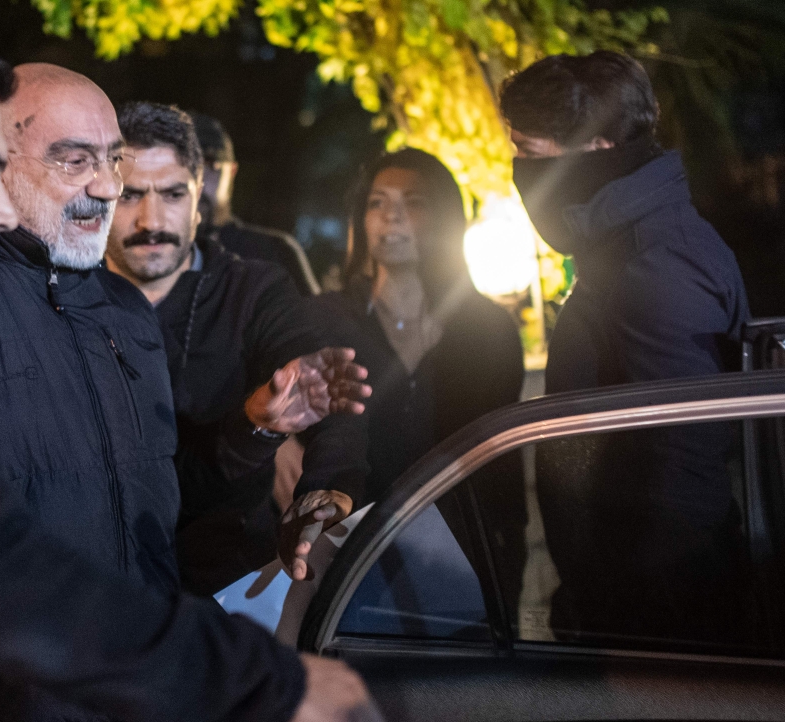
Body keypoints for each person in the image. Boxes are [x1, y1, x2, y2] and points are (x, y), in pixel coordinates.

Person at [0, 12, 379, 722]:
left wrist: (250, 433)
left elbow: (150, 499)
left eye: (115, 161)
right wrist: (258, 680)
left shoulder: (112, 313)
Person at [0, 63, 373, 719]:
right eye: (80, 163)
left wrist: (275, 441)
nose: (119, 197)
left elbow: (175, 492)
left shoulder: (165, 307)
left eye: (166, 192)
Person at [500, 51, 751, 642]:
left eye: (530, 156)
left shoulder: (654, 261)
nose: (518, 173)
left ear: (596, 150)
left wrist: (624, 618)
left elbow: (683, 463)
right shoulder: (626, 246)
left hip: (656, 620)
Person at [105, 102, 371, 592]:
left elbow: (317, 388)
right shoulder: (70, 296)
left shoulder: (251, 290)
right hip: (99, 585)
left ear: (199, 197)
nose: (151, 218)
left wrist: (323, 488)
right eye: (130, 196)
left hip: (227, 586)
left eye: (172, 194)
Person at [310, 148, 527, 613]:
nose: (392, 217)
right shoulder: (326, 320)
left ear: (444, 218)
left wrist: (510, 563)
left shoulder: (488, 329)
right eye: (377, 202)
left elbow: (503, 463)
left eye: (413, 202)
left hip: (461, 559)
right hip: (353, 560)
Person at [190, 112, 321, 296]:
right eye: (189, 168)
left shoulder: (275, 254)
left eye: (211, 166)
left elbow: (314, 322)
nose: (198, 181)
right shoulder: (151, 255)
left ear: (232, 172)